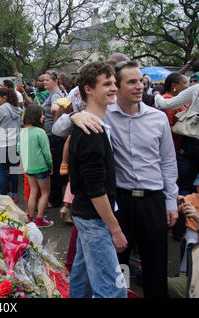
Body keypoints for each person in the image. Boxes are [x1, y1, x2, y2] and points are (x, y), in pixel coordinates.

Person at [53, 60, 179, 298]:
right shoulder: (100, 118)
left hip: (152, 200)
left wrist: (170, 201)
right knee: (115, 270)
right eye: (131, 82)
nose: (139, 86)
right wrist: (75, 117)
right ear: (118, 88)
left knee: (156, 265)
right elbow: (59, 129)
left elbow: (168, 163)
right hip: (116, 201)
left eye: (141, 80)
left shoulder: (158, 118)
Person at [68, 62, 127, 298]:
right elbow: (95, 190)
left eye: (114, 83)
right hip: (94, 218)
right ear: (89, 89)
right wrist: (115, 229)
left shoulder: (94, 123)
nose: (114, 88)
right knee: (112, 290)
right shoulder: (92, 131)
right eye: (107, 84)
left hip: (87, 215)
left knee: (82, 281)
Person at [154, 83, 199, 196]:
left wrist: (157, 95)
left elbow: (167, 104)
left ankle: (183, 211)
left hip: (191, 144)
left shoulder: (196, 89)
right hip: (191, 146)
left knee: (184, 189)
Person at [18, 104, 54, 228]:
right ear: (37, 116)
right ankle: (40, 220)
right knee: (45, 193)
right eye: (42, 114)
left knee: (33, 192)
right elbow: (46, 153)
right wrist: (50, 165)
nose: (44, 117)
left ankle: (32, 219)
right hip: (41, 167)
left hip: (29, 167)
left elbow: (18, 149)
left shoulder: (22, 132)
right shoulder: (40, 132)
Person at [0, 87, 22, 203]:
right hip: (14, 142)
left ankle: (4, 195)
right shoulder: (17, 108)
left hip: (2, 144)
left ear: (4, 97)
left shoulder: (1, 109)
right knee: (13, 171)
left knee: (2, 171)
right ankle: (14, 195)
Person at [41, 69, 67, 208]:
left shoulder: (56, 94)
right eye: (44, 80)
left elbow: (56, 108)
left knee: (54, 168)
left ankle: (56, 199)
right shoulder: (52, 93)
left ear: (55, 81)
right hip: (52, 134)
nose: (44, 82)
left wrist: (56, 125)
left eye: (47, 80)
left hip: (54, 136)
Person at [160, 73, 189, 152]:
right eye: (184, 83)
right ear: (174, 86)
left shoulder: (178, 99)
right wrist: (186, 128)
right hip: (172, 147)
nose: (187, 86)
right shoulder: (168, 101)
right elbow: (166, 128)